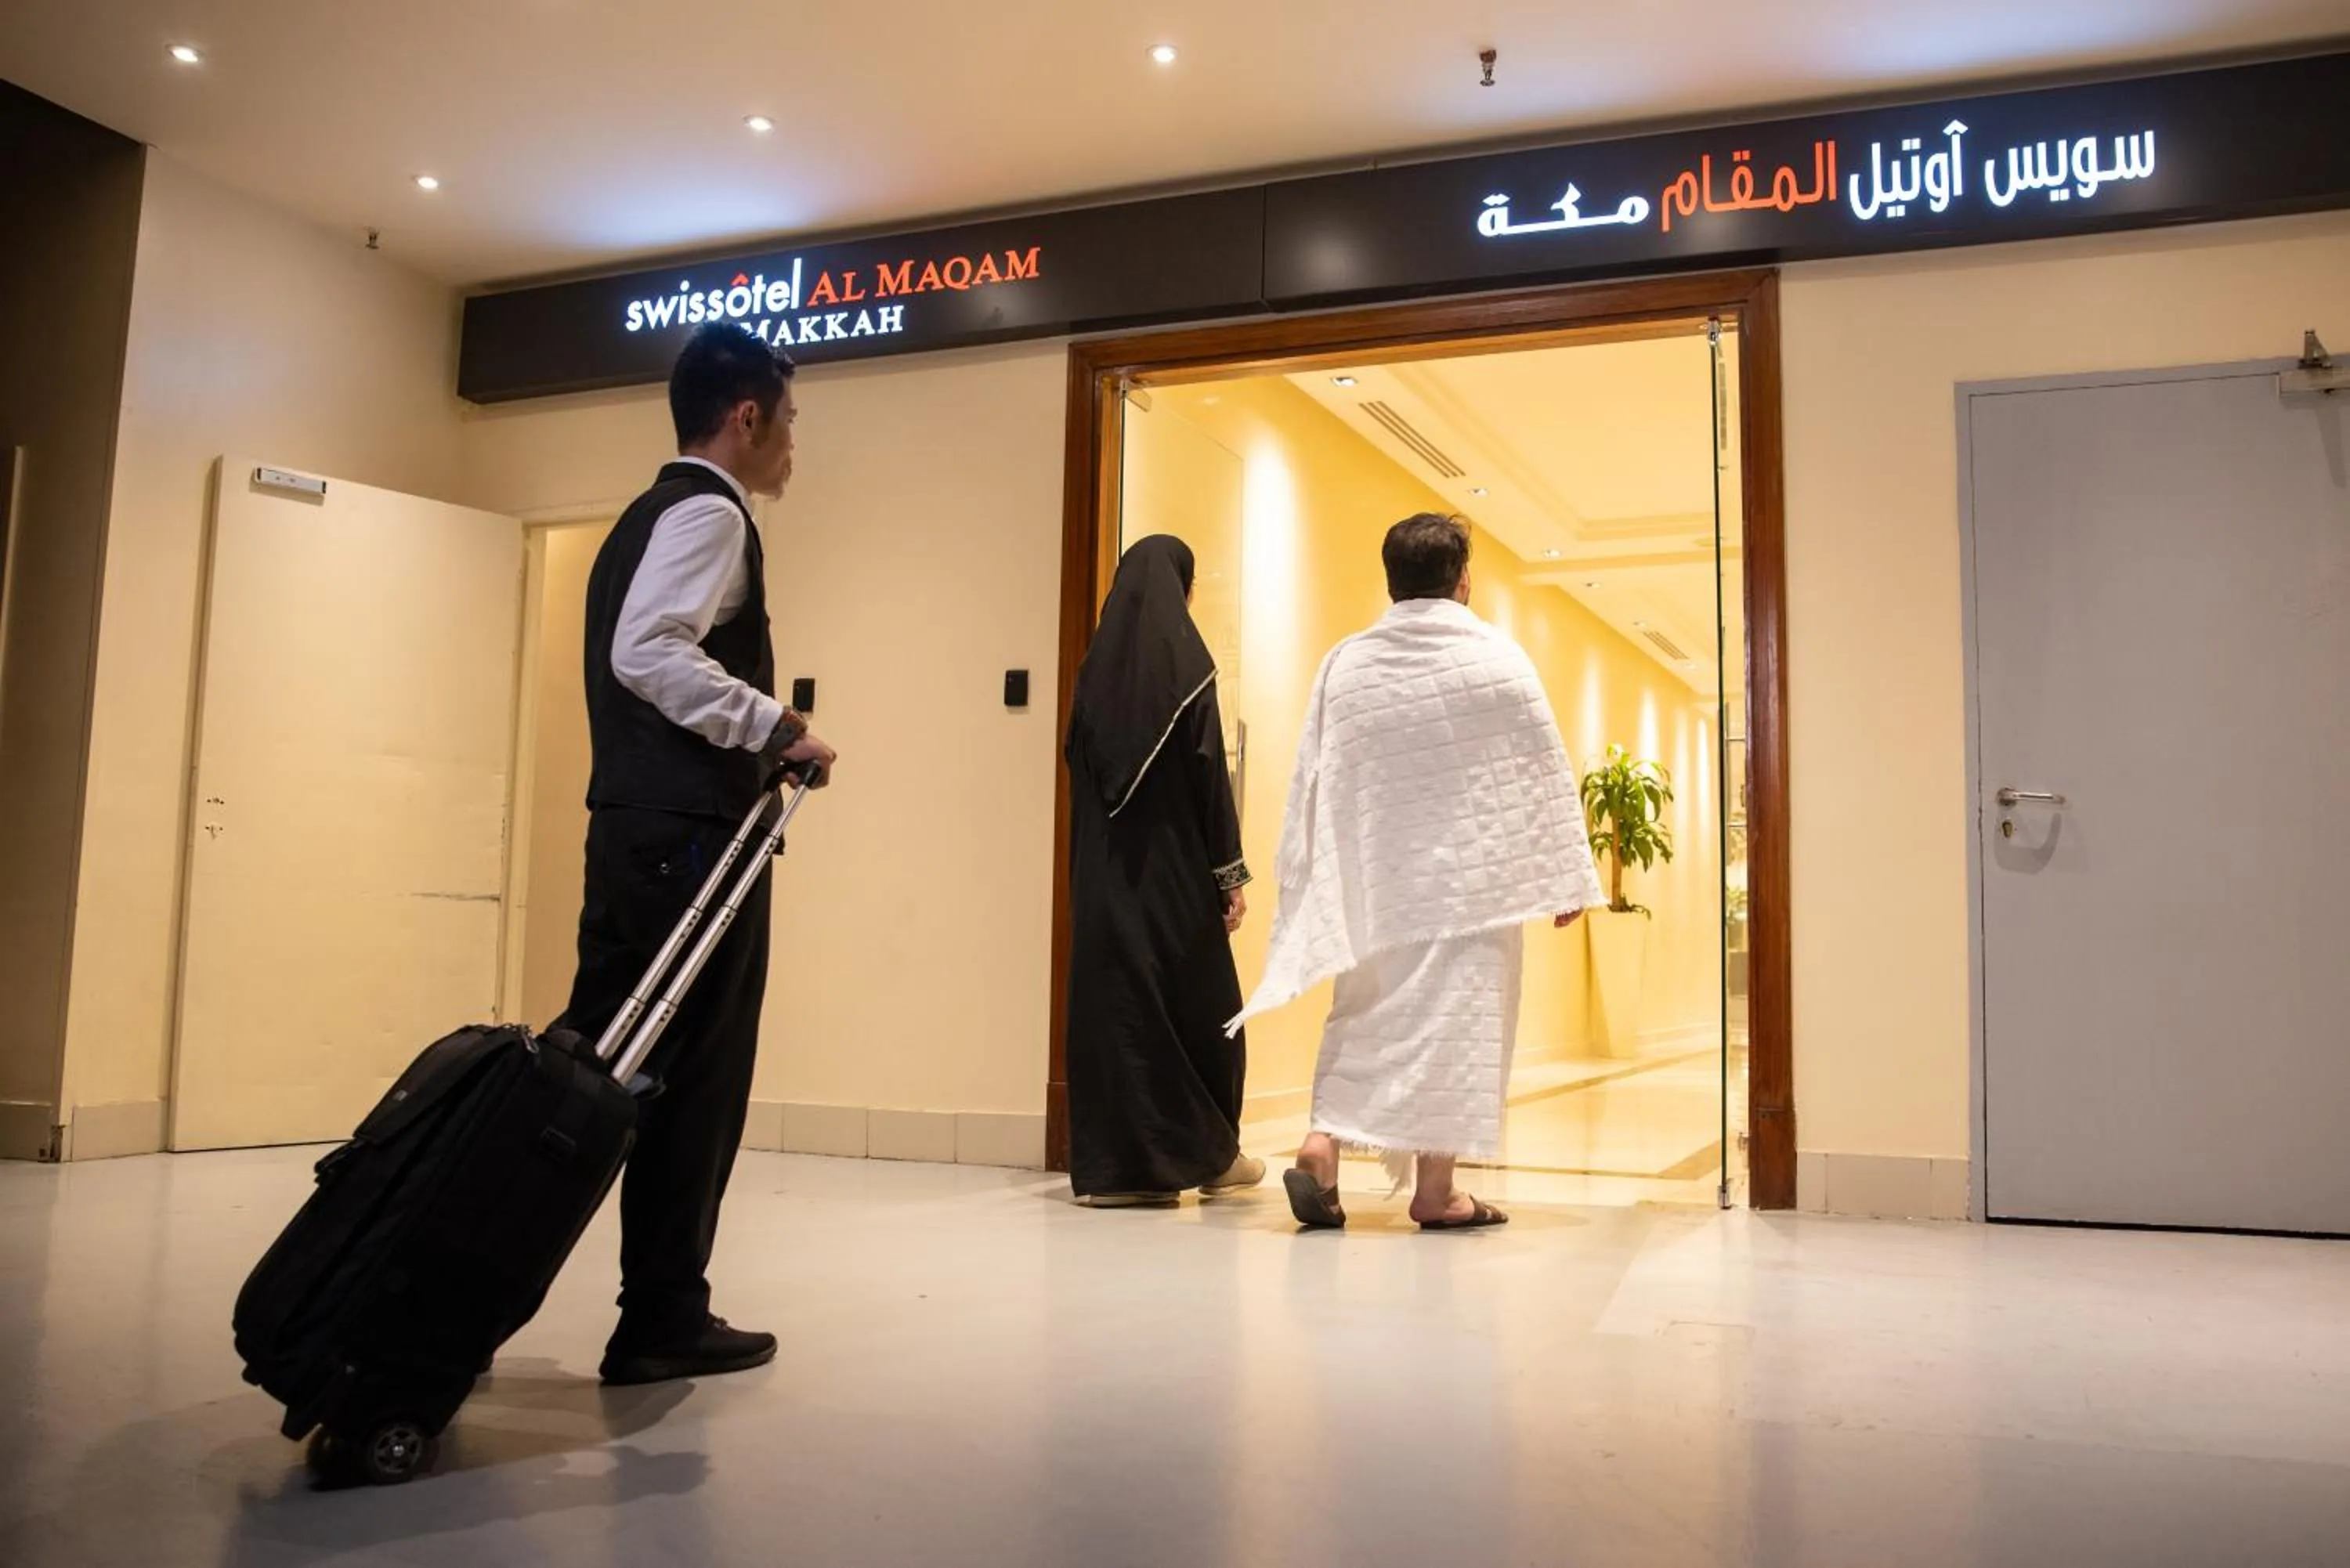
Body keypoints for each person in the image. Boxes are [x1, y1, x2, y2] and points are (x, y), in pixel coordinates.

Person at [559, 323, 837, 1386]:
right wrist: (775, 725)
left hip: (640, 831)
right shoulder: (712, 514)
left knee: (596, 1076)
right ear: (746, 416)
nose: (793, 444)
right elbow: (649, 651)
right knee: (689, 1079)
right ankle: (662, 1316)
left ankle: (458, 1288)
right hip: (691, 843)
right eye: (789, 421)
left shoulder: (642, 517)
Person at [1231, 514, 1601, 1231]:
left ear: (1390, 580)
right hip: (1473, 891)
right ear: (1463, 579)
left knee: (1362, 1015)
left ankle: (1322, 1145)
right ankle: (1437, 1191)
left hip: (1377, 886)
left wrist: (1322, 874)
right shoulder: (1499, 660)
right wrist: (1565, 876)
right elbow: (1540, 773)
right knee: (1461, 1029)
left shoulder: (1348, 665)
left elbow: (1317, 775)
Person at [1062, 535, 1264, 1208]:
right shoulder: (1189, 670)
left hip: (1102, 883)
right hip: (1173, 882)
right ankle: (1214, 1157)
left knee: (1117, 1011)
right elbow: (1211, 782)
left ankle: (1120, 1174)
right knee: (1208, 1012)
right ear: (1182, 590)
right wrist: (1229, 875)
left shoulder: (1091, 676)